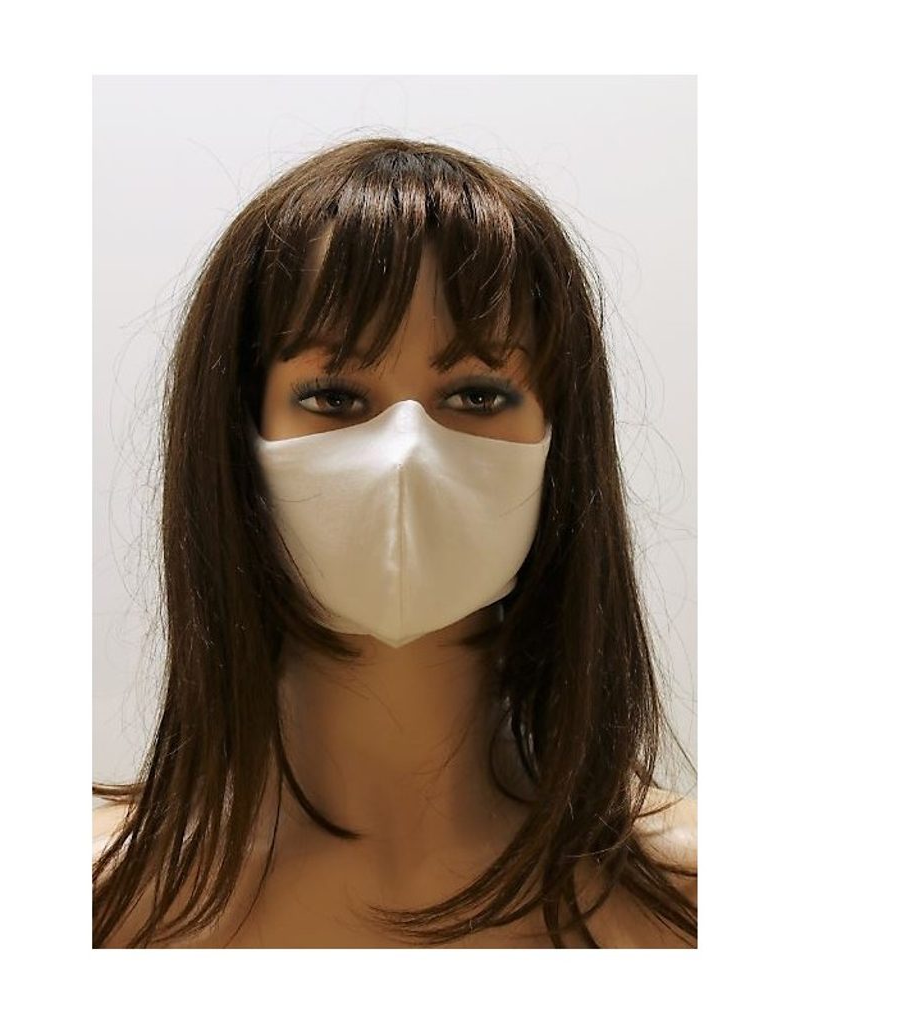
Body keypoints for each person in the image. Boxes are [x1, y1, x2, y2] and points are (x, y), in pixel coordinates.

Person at [92, 137, 697, 948]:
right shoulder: (104, 908)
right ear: (235, 436)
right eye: (335, 396)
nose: (406, 451)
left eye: (476, 395)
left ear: (561, 442)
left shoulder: (689, 905)